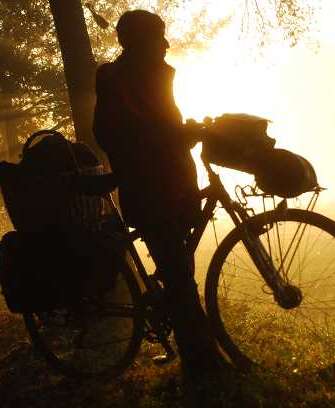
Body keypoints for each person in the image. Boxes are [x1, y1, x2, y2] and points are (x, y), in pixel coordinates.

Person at [93, 10, 224, 380]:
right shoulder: (113, 78)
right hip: (148, 190)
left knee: (182, 272)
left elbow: (163, 126)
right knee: (180, 279)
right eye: (158, 37)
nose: (166, 44)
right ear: (135, 42)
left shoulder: (159, 75)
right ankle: (205, 369)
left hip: (176, 184)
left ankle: (197, 351)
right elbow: (116, 134)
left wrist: (187, 130)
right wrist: (176, 136)